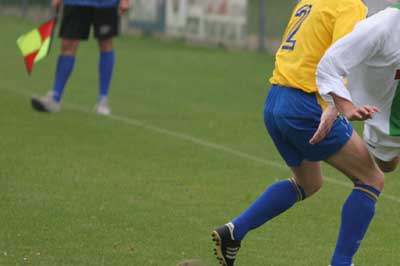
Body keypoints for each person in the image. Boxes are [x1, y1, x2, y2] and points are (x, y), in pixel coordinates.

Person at [211, 0, 385, 266]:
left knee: (308, 183)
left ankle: (235, 231)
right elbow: (341, 56)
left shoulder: (310, 1)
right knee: (371, 179)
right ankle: (341, 263)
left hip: (276, 100)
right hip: (306, 105)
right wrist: (334, 105)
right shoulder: (348, 5)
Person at [313, 3, 400, 173]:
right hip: (383, 125)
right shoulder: (382, 27)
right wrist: (342, 106)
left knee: (374, 180)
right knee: (387, 166)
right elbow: (330, 65)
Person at [31, 0, 130, 115]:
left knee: (105, 43)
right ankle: (55, 98)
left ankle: (103, 100)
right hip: (75, 2)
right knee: (67, 44)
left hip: (106, 3)